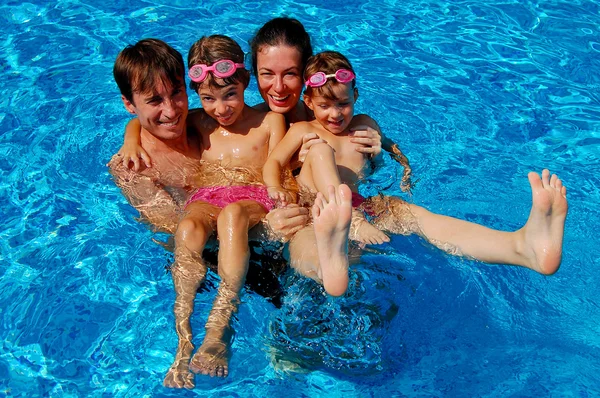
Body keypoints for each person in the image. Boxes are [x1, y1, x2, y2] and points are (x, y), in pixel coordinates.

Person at [262, 50, 569, 296]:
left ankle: (523, 248)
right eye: (326, 105)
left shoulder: (365, 125)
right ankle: (334, 253)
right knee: (319, 153)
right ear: (309, 102)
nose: (336, 113)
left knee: (422, 218)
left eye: (344, 103)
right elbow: (273, 163)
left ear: (356, 94)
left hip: (362, 206)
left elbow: (388, 153)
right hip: (314, 210)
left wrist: (399, 167)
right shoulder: (304, 130)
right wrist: (277, 192)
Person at [110, 36, 288, 388]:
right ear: (129, 104)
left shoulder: (200, 124)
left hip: (255, 237)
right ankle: (184, 345)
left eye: (176, 94)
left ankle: (224, 333)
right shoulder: (133, 166)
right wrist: (132, 138)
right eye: (154, 101)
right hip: (205, 261)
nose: (171, 111)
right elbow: (169, 227)